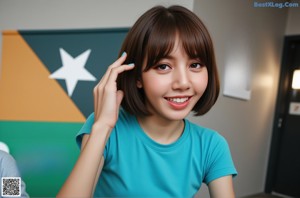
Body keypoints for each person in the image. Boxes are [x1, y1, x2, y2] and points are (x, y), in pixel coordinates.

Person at [57, 5, 237, 197]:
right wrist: (102, 127)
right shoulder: (107, 128)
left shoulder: (212, 145)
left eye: (195, 65)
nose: (183, 83)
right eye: (163, 66)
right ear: (137, 77)